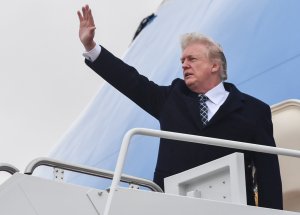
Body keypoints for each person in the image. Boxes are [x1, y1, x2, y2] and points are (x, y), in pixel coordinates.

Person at [77, 5, 283, 209]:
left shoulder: (254, 111)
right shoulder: (171, 99)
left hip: (230, 208)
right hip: (172, 207)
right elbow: (131, 81)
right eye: (182, 60)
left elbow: (268, 176)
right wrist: (91, 47)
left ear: (215, 65)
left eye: (192, 59)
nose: (184, 65)